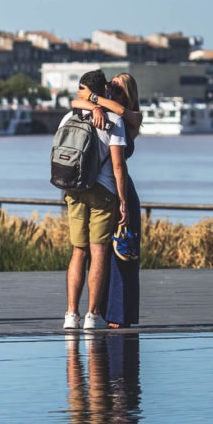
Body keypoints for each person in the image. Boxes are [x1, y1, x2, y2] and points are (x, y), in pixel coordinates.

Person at [60, 70, 127, 330]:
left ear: (86, 91)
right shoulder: (112, 120)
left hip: (74, 189)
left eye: (80, 89)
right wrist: (123, 202)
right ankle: (92, 316)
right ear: (103, 91)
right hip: (104, 191)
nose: (77, 94)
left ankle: (70, 314)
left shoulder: (69, 116)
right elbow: (118, 166)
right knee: (98, 251)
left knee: (78, 251)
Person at [74, 73, 142, 328]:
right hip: (106, 189)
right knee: (100, 252)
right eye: (109, 87)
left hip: (122, 190)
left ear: (128, 95)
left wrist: (94, 98)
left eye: (117, 88)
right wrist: (93, 104)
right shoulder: (103, 110)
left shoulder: (131, 116)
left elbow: (123, 111)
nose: (111, 91)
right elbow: (74, 102)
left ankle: (120, 314)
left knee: (124, 254)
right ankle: (101, 310)